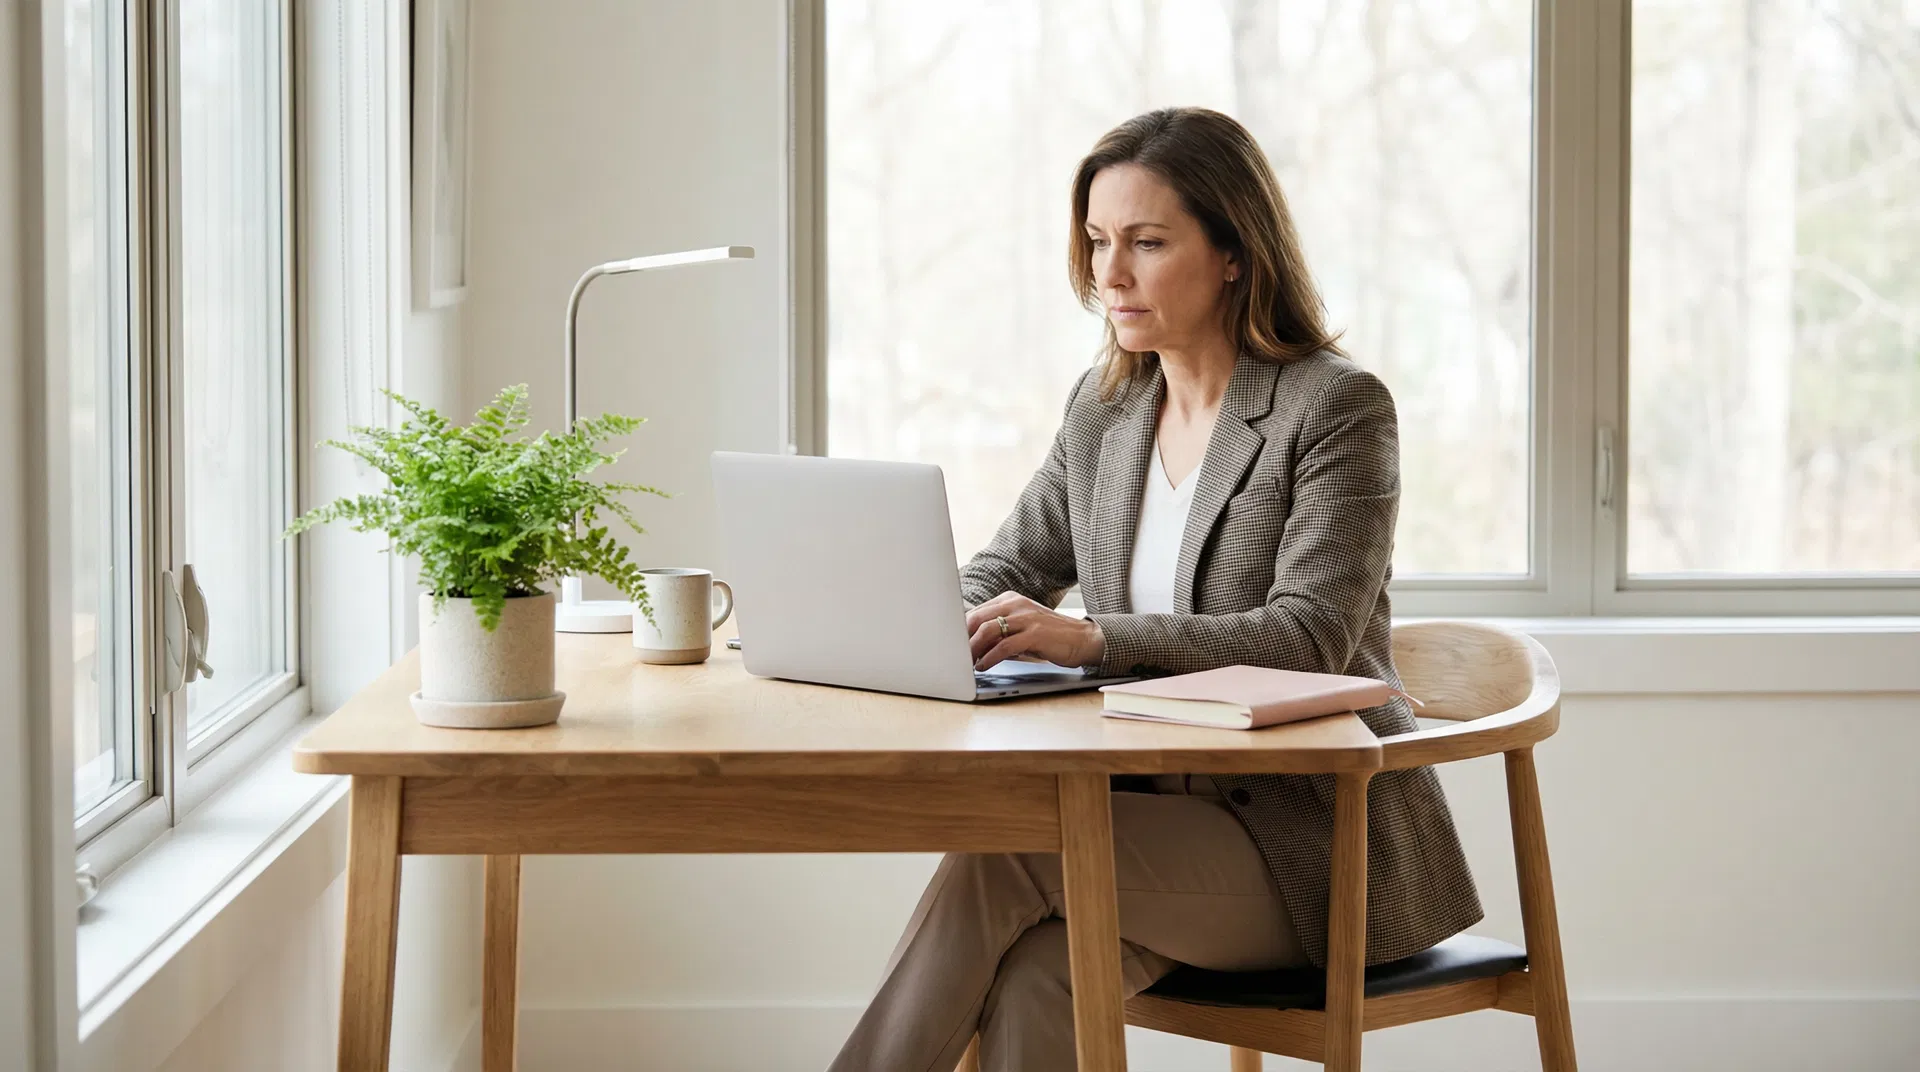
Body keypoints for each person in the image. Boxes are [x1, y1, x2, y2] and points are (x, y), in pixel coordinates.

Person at [828, 107, 1481, 1072]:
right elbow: (1011, 565)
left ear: (1234, 253)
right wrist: (933, 618)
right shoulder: (1107, 410)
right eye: (1098, 241)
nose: (1110, 275)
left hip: (1305, 846)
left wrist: (1095, 638)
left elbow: (1308, 637)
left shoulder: (1335, 407)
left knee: (1005, 853)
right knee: (1040, 972)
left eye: (1146, 242)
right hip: (1149, 819)